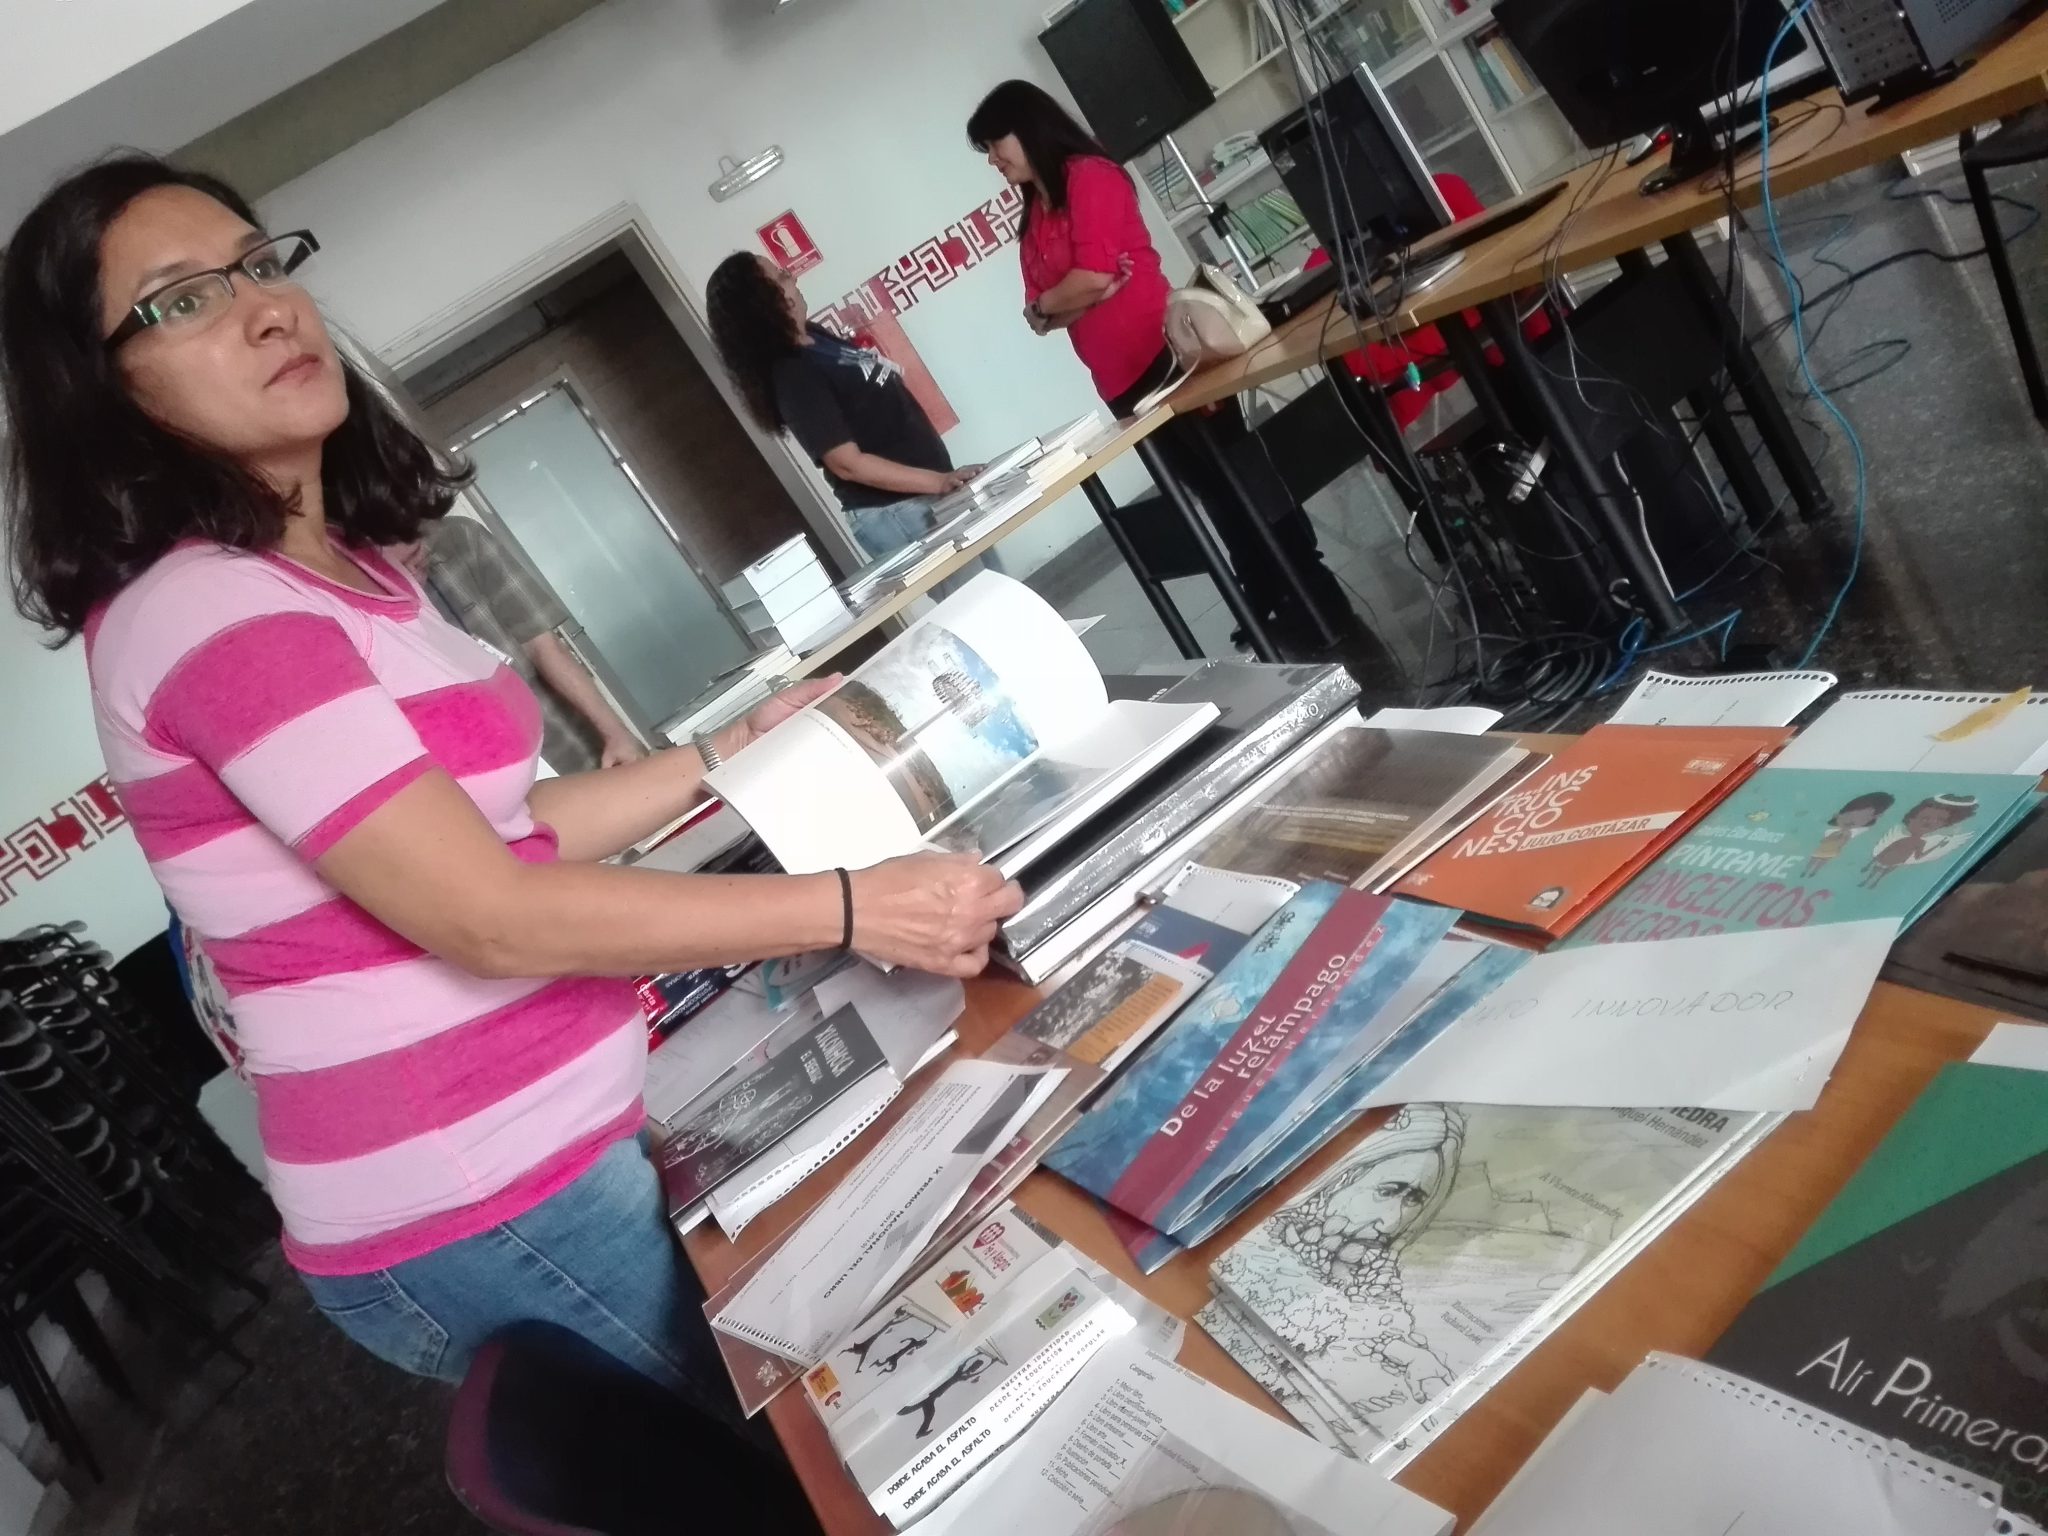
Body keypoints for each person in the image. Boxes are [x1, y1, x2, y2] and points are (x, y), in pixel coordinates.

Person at [0, 155, 1022, 1414]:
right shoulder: (204, 608)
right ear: (98, 390)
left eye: (259, 264)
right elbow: (486, 912)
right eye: (183, 299)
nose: (263, 307)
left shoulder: (348, 572)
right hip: (477, 1194)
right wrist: (853, 907)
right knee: (815, 1441)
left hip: (559, 1132)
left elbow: (513, 822)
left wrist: (726, 750)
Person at [966, 79, 1361, 660]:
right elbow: (1041, 314)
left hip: (1171, 354)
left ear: (1027, 128)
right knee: (1208, 492)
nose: (994, 161)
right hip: (1119, 383)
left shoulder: (1090, 177)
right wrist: (1065, 298)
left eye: (995, 144)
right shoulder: (1034, 217)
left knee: (1236, 478)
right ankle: (1265, 592)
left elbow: (1089, 279)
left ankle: (1307, 586)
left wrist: (1072, 294)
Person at [706, 252, 979, 567]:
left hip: (928, 493)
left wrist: (941, 482)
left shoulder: (814, 336)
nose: (793, 277)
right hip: (898, 512)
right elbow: (847, 464)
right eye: (781, 277)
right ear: (768, 300)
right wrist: (938, 482)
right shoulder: (793, 373)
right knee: (976, 592)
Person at [395, 516, 644, 772]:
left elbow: (543, 646)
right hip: (492, 772)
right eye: (398, 566)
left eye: (415, 553)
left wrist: (615, 733)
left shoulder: (461, 538)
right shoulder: (377, 620)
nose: (413, 569)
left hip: (575, 746)